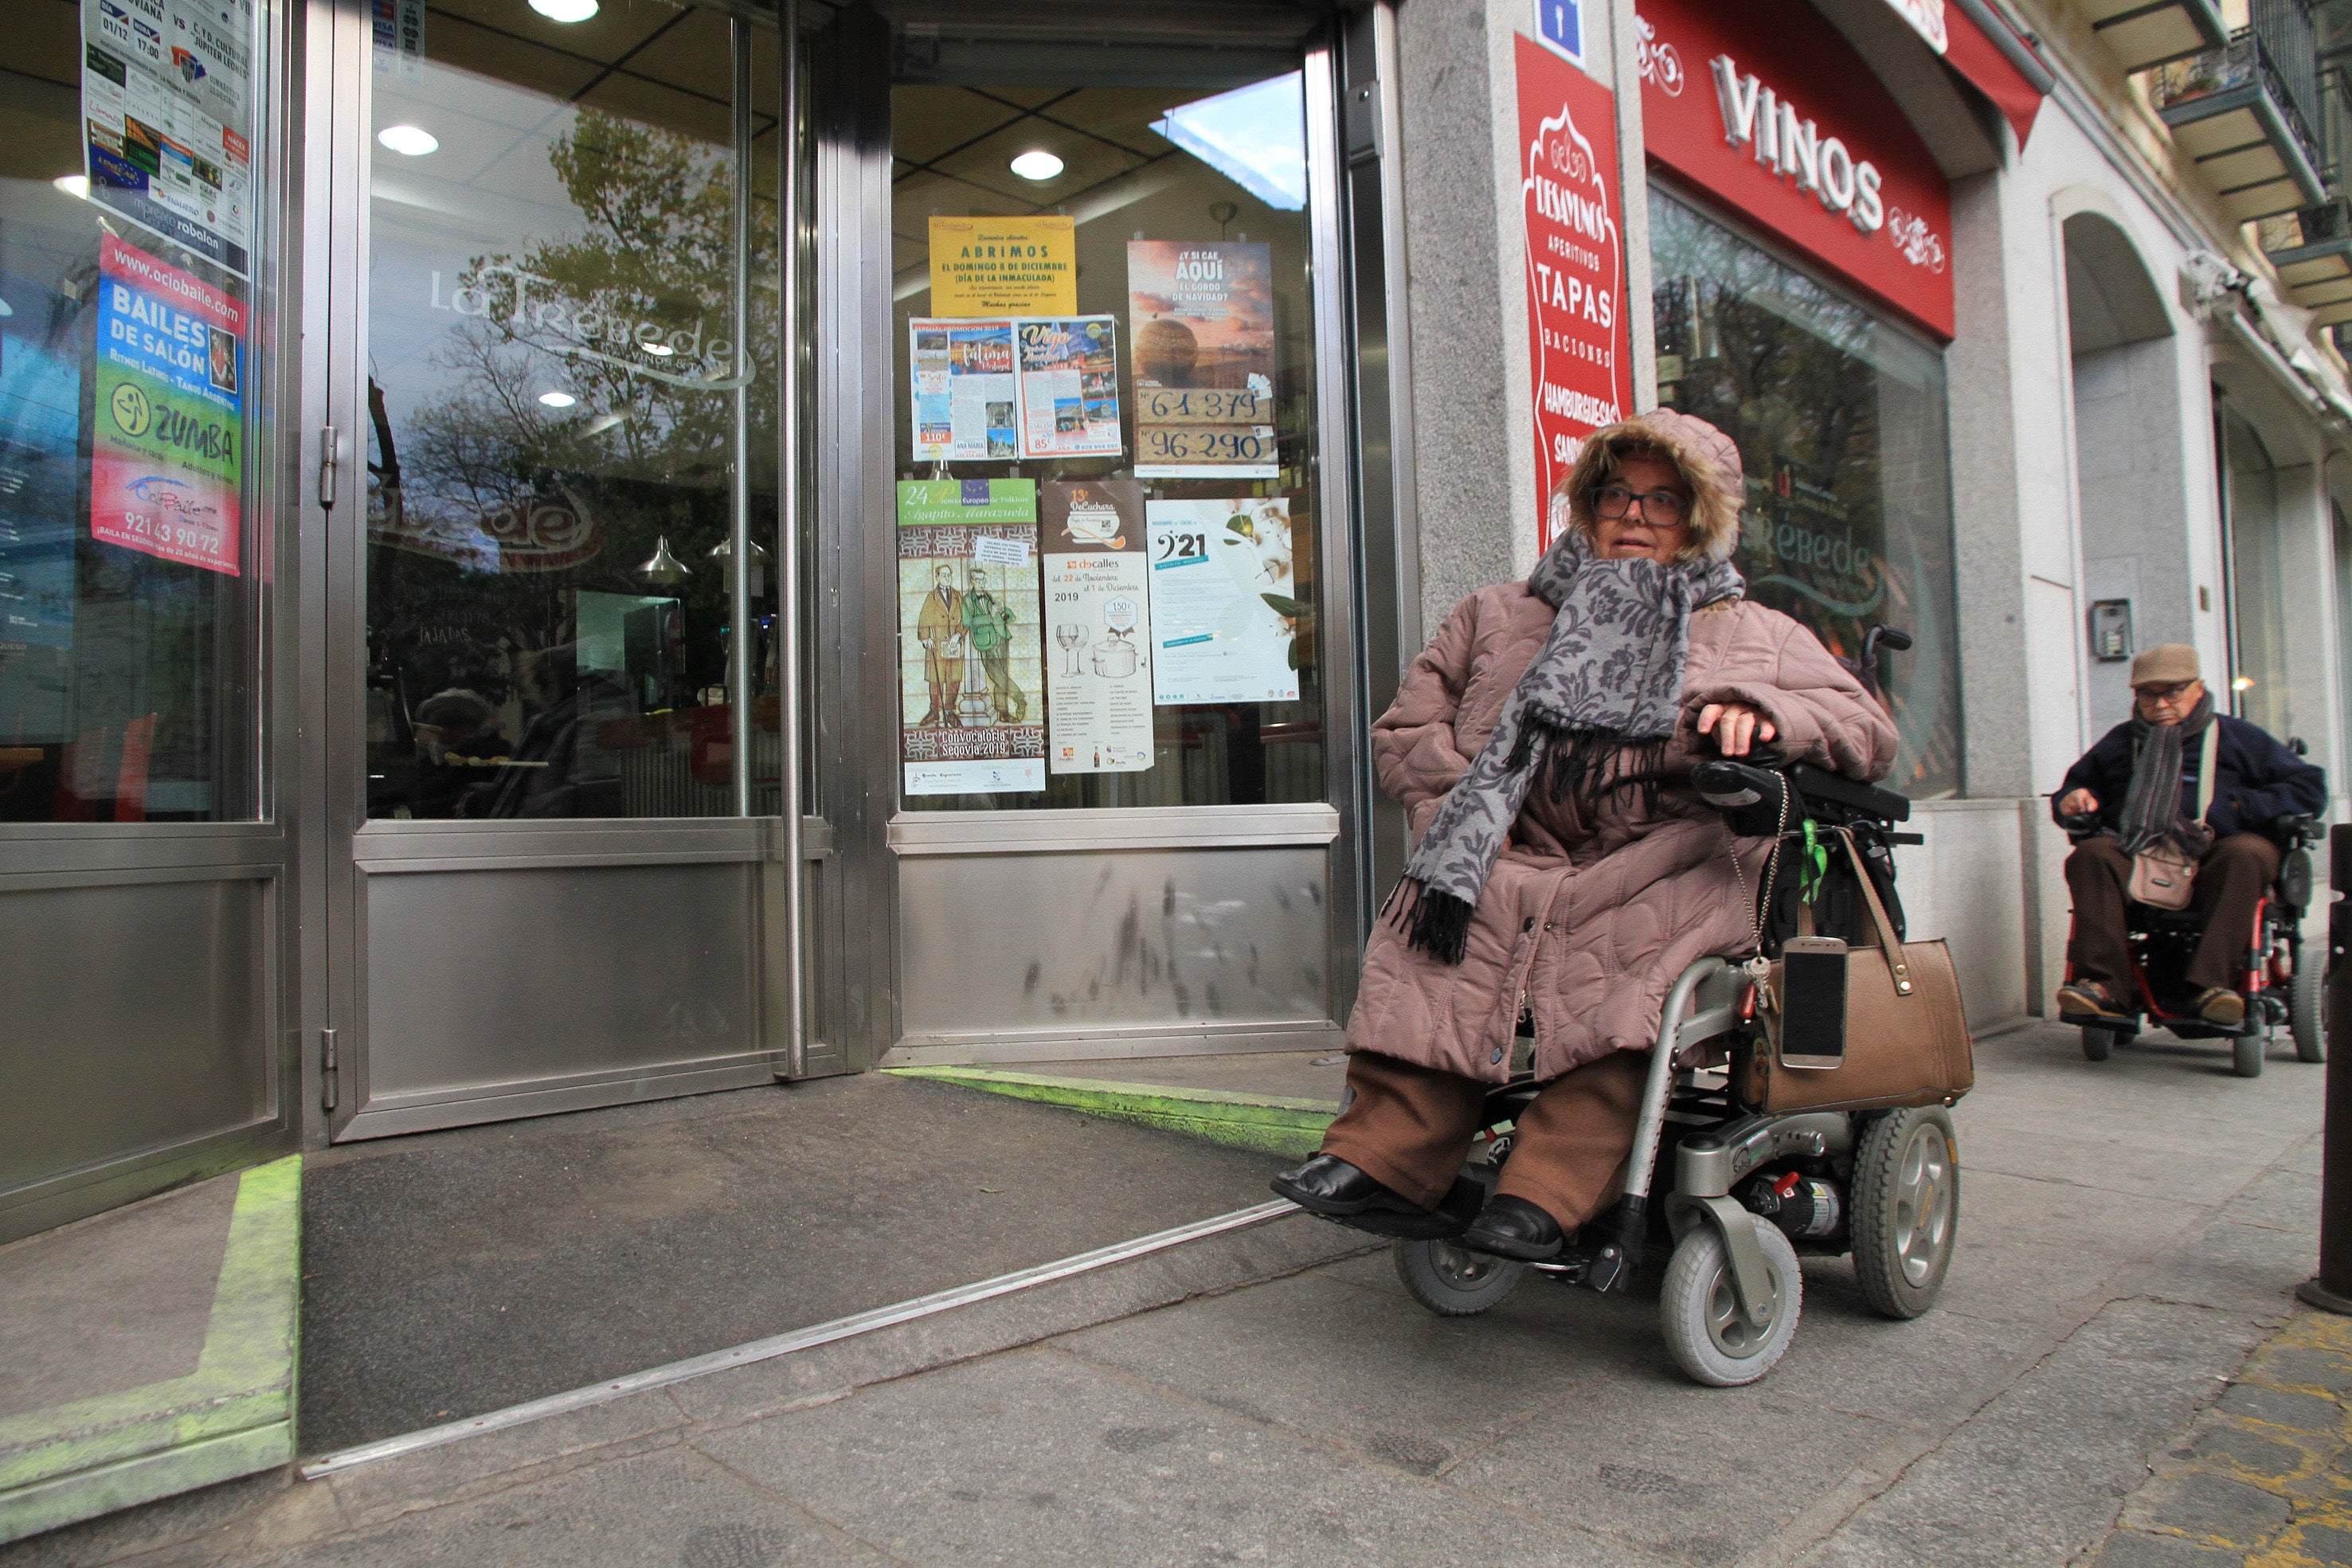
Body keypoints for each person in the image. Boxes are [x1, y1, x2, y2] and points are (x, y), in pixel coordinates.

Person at [1271, 410, 1898, 1260]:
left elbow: (1865, 730)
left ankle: (1550, 1191)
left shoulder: (1758, 636)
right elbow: (1403, 732)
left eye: (1664, 501)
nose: (1634, 515)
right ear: (1586, 504)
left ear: (1704, 518)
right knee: (1434, 927)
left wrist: (1761, 713)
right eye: (1616, 493)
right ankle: (1382, 1158)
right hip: (1507, 849)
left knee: (1631, 969)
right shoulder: (1496, 614)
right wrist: (1474, 799)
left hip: (1663, 858)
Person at [2053, 643, 2324, 1026]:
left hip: (2218, 852)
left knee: (2245, 853)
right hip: (2143, 852)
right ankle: (2105, 987)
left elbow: (2309, 787)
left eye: (2172, 692)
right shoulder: (2121, 741)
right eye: (2149, 694)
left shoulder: (2238, 737)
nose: (2161, 703)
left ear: (2197, 689)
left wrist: (2239, 808)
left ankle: (2213, 988)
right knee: (2092, 854)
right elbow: (2075, 789)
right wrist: (2073, 800)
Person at [916, 565, 965, 726]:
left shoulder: (958, 596)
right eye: (944, 575)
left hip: (954, 646)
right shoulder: (932, 597)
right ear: (937, 577)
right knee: (936, 680)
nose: (947, 577)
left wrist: (959, 635)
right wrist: (925, 638)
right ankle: (935, 711)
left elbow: (965, 619)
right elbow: (923, 619)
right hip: (937, 645)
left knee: (954, 679)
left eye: (949, 575)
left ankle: (950, 712)